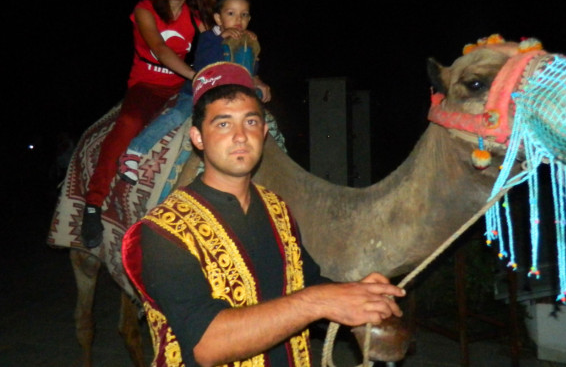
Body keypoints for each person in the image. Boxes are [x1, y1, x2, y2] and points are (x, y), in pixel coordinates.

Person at [122, 62, 405, 367]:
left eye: (251, 122)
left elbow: (306, 283)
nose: (241, 136)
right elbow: (207, 345)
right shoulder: (165, 231)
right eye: (223, 124)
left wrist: (356, 294)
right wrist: (320, 301)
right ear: (198, 138)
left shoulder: (276, 208)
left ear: (264, 132)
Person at [80, 0, 217, 249]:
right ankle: (93, 204)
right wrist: (195, 75)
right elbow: (160, 48)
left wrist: (236, 39)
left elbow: (216, 41)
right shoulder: (145, 9)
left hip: (179, 87)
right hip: (146, 86)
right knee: (128, 124)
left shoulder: (195, 16)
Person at [117, 0, 270, 185]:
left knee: (262, 117)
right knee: (177, 115)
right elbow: (204, 64)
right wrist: (220, 40)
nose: (238, 19)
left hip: (231, 95)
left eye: (244, 15)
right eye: (231, 13)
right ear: (218, 18)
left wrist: (253, 61)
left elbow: (249, 70)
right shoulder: (209, 38)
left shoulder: (247, 40)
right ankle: (134, 151)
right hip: (198, 93)